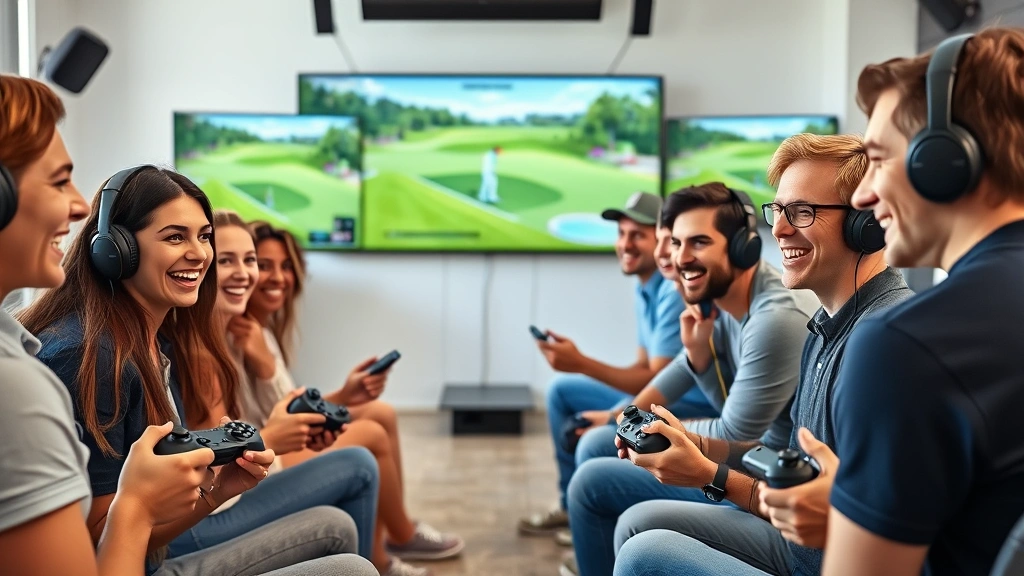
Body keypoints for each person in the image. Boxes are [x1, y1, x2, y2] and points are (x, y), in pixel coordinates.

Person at [0, 74, 375, 576]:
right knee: (349, 562)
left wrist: (214, 490)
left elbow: (137, 528)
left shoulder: (146, 345)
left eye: (203, 236)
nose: (199, 254)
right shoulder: (90, 356)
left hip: (144, 557)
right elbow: (99, 538)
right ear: (116, 250)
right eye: (175, 237)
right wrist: (150, 501)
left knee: (340, 528)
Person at [609, 133, 914, 576]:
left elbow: (872, 533)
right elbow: (781, 477)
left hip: (832, 564)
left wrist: (711, 475)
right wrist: (694, 448)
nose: (780, 229)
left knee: (644, 554)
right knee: (639, 526)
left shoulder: (885, 343)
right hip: (797, 547)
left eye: (803, 212)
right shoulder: (822, 331)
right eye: (780, 211)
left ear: (866, 223)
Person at [818, 29, 1024, 576]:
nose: (862, 195)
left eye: (880, 159)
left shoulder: (905, 347)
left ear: (946, 159)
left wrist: (842, 518)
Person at [561, 181, 819, 576]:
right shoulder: (718, 300)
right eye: (677, 244)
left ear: (742, 248)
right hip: (751, 457)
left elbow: (733, 432)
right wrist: (624, 414)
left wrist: (661, 427)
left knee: (593, 482)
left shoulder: (775, 319)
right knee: (599, 450)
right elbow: (684, 368)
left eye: (698, 243)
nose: (680, 259)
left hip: (764, 476)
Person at [238, 221, 464, 575]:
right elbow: (275, 412)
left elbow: (279, 405)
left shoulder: (261, 330)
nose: (278, 277)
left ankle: (397, 534)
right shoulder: (243, 334)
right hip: (264, 453)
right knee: (371, 434)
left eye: (285, 267)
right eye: (263, 265)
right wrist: (267, 368)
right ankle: (386, 552)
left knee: (378, 411)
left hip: (273, 436)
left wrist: (346, 394)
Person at [518, 191, 716, 539]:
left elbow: (657, 378)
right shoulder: (645, 287)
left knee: (590, 429)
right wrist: (611, 405)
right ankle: (571, 508)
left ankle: (591, 515)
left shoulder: (673, 292)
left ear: (664, 242)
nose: (625, 244)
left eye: (637, 235)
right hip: (662, 393)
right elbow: (644, 364)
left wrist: (584, 368)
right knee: (563, 393)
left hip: (690, 404)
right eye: (621, 234)